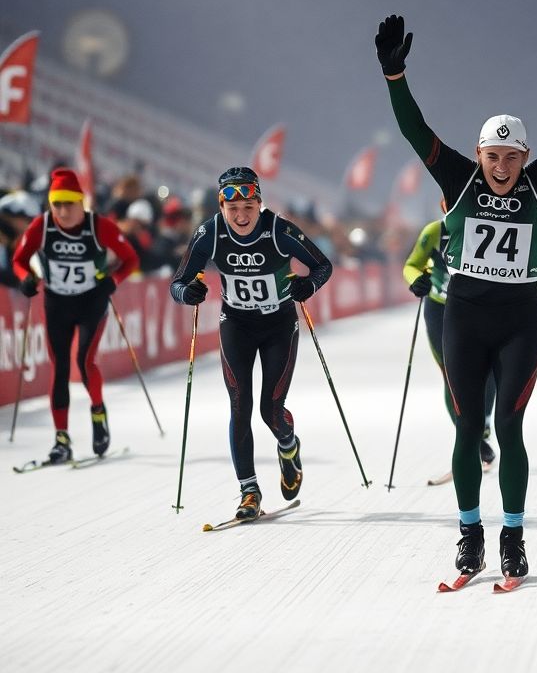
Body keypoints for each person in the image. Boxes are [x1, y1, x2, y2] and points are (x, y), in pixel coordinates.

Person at [376, 12, 537, 581]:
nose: (503, 167)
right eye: (494, 156)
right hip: (463, 315)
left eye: (513, 157)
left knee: (508, 426)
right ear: (480, 153)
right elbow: (416, 132)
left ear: (524, 157)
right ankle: (470, 534)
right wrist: (395, 78)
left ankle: (513, 535)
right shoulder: (458, 178)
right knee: (467, 426)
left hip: (518, 319)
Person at [169, 167, 333, 520]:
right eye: (233, 210)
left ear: (259, 203)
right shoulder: (209, 233)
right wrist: (189, 293)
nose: (241, 216)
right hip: (237, 325)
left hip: (278, 325)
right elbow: (178, 283)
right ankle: (249, 491)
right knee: (239, 405)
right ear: (221, 208)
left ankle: (289, 449)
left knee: (270, 409)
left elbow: (323, 265)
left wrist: (308, 286)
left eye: (248, 207)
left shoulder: (279, 230)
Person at [11, 168, 140, 461]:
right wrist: (27, 278)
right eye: (56, 204)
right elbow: (19, 260)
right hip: (57, 303)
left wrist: (113, 280)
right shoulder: (42, 227)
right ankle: (61, 439)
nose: (62, 211)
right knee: (58, 370)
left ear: (80, 202)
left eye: (68, 204)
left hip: (91, 302)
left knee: (84, 361)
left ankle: (97, 411)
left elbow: (131, 259)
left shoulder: (99, 226)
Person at [403, 213, 497, 468]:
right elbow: (411, 264)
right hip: (440, 309)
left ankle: (484, 422)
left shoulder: (488, 223)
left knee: (488, 369)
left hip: (479, 308)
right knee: (451, 374)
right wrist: (416, 281)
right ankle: (472, 438)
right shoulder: (435, 230)